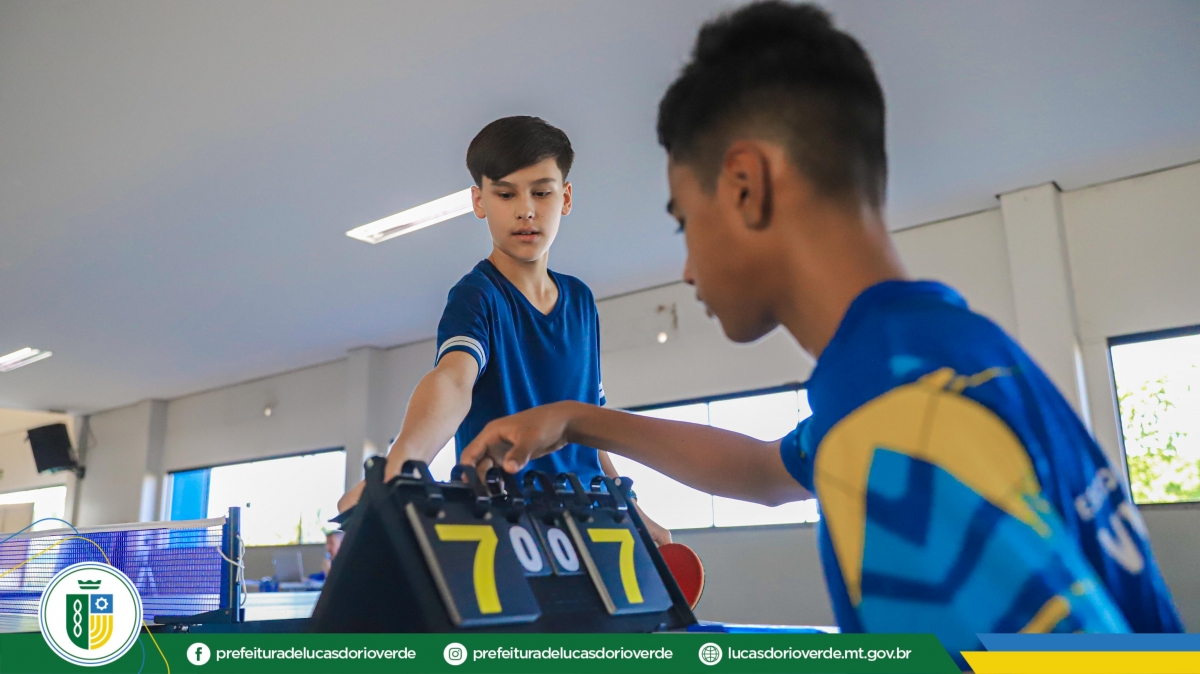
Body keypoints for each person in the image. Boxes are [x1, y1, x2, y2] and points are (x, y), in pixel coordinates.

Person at [459, 1, 1182, 655]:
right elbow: (764, 471)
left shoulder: (895, 429)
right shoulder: (946, 353)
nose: (687, 268)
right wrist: (576, 420)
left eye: (685, 222)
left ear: (746, 186)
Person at [338, 116, 671, 545]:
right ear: (479, 201)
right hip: (511, 525)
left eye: (541, 192)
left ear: (566, 198)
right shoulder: (477, 295)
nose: (525, 209)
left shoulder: (581, 301)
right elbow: (453, 380)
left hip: (592, 524)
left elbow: (591, 424)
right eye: (506, 193)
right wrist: (400, 466)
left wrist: (635, 511)